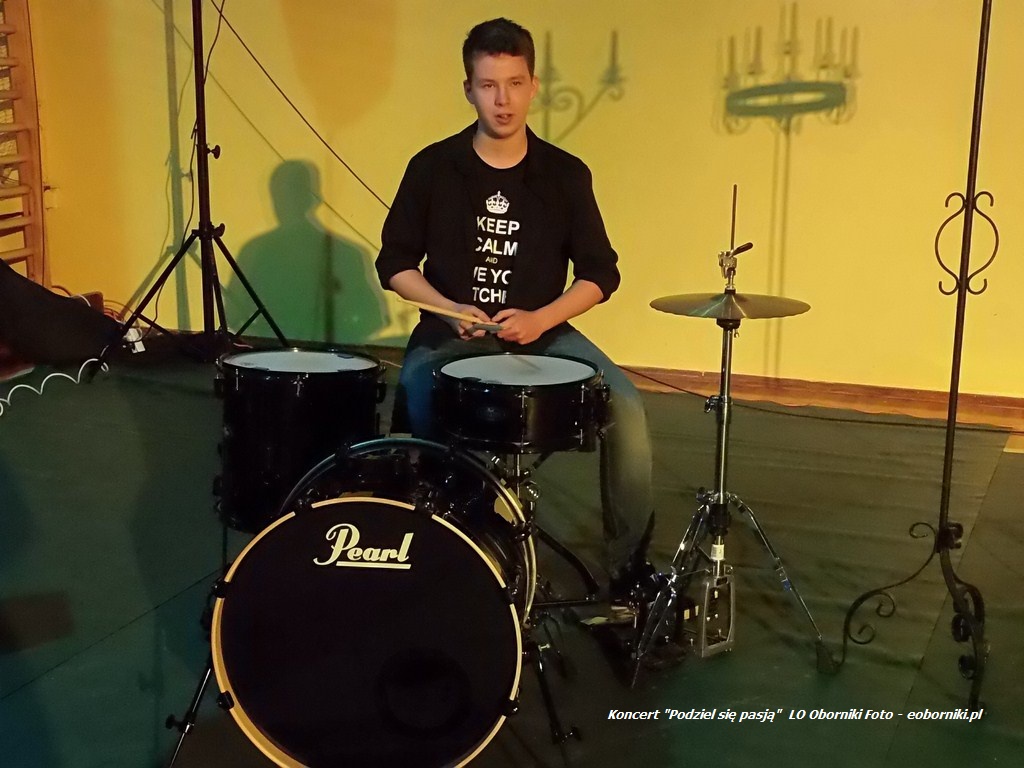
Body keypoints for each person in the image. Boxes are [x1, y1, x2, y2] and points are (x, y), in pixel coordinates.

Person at [375, 17, 654, 603]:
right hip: (452, 333)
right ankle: (456, 543)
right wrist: (446, 307)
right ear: (469, 90)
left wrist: (542, 318)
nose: (502, 100)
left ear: (533, 86)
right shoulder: (432, 167)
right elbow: (395, 263)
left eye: (514, 84)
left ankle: (629, 571)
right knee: (420, 393)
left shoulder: (565, 174)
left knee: (626, 407)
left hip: (544, 333)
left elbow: (601, 273)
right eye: (488, 85)